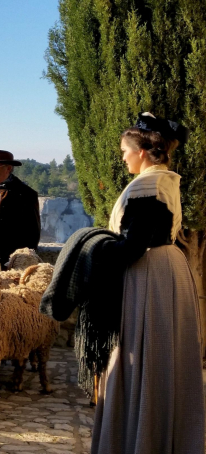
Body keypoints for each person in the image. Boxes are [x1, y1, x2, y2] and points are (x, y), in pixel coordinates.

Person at [90, 112, 205, 454]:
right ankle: (158, 438)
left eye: (125, 150)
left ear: (141, 151)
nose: (123, 156)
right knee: (161, 360)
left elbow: (133, 244)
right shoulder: (166, 180)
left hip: (150, 275)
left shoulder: (145, 186)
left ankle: (141, 442)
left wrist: (93, 251)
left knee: (143, 358)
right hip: (168, 269)